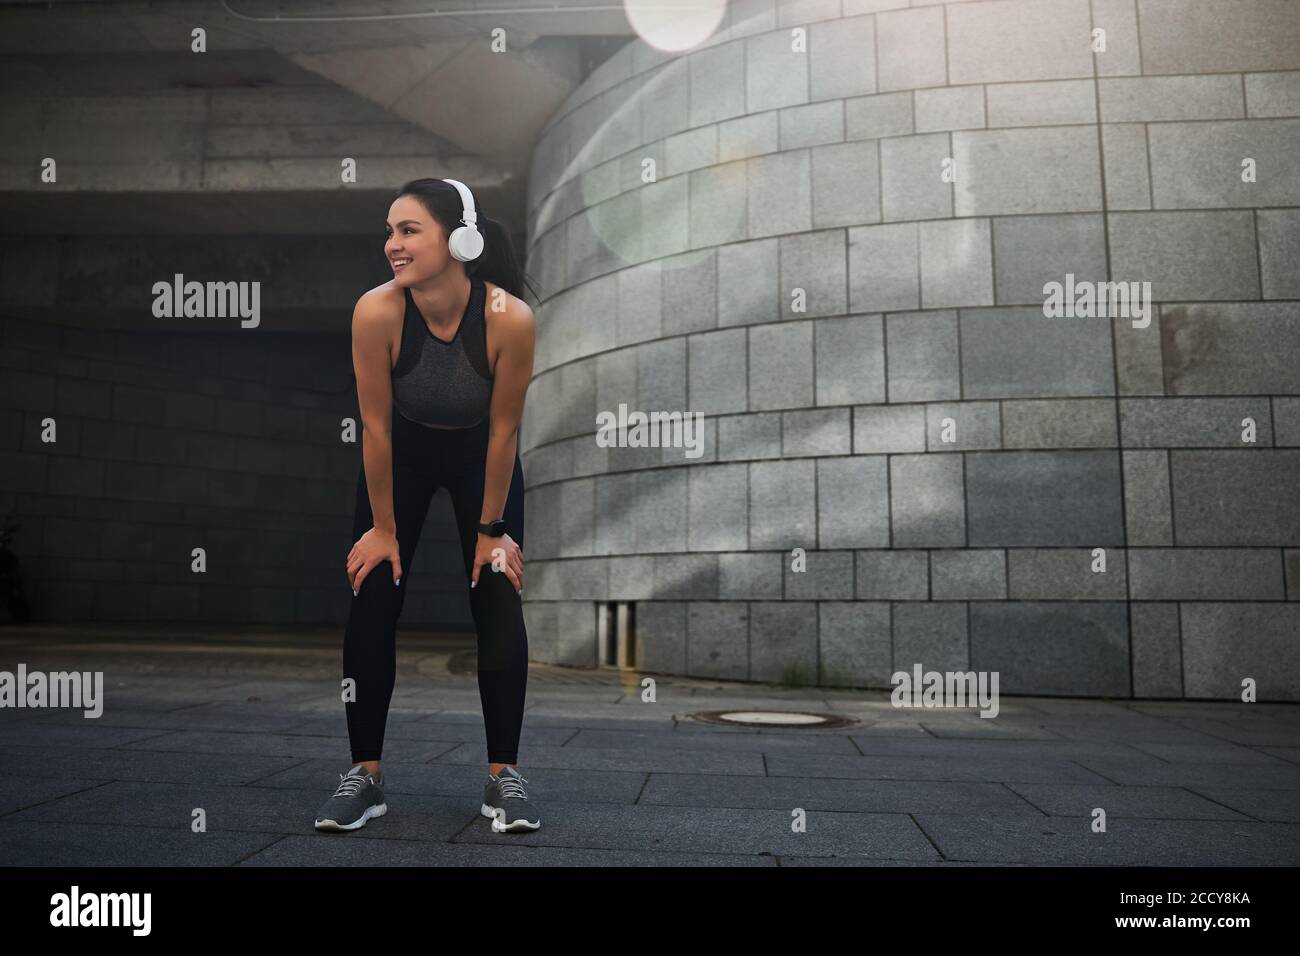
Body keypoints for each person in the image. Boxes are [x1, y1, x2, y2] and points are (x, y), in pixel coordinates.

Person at [314, 178, 540, 834]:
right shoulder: (377, 312)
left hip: (480, 456)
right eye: (390, 231)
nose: (392, 244)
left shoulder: (509, 320)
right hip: (404, 453)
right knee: (372, 588)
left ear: (459, 239)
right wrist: (383, 530)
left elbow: (503, 433)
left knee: (497, 586)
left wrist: (492, 531)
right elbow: (377, 430)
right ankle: (366, 775)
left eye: (408, 230)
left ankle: (504, 779)